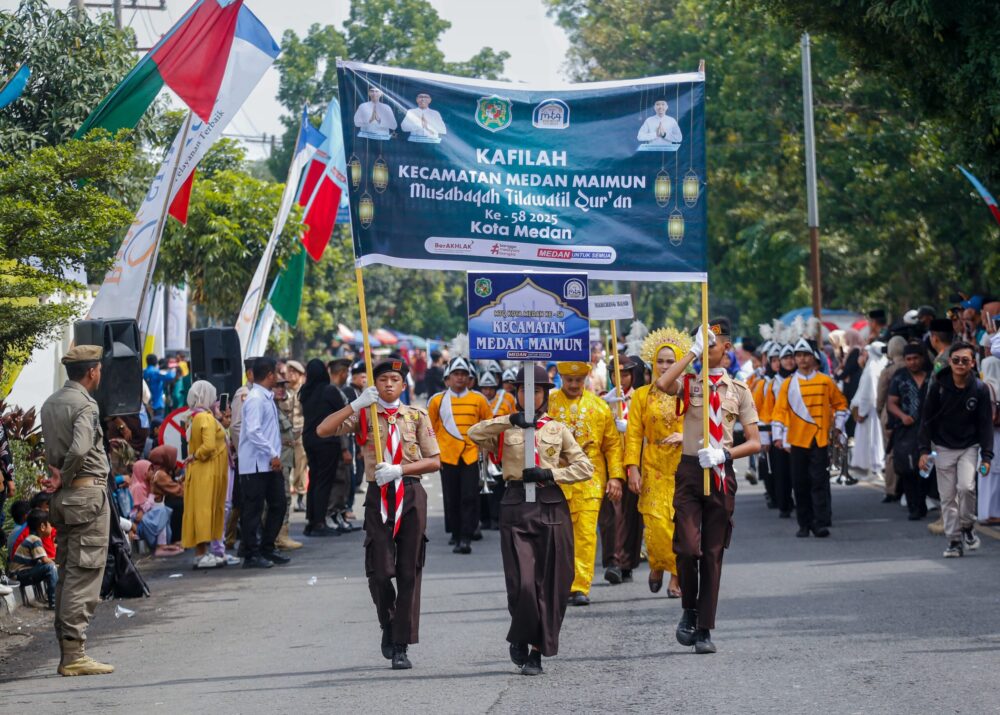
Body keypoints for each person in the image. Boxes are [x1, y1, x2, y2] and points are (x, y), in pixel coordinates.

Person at [468, 364, 594, 676]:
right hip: (515, 505)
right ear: (516, 393)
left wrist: (551, 473)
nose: (530, 396)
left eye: (536, 390)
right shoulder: (506, 427)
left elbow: (585, 467)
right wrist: (509, 420)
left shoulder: (556, 429)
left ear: (544, 395)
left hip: (551, 505)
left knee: (551, 582)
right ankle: (520, 633)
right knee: (522, 583)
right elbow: (473, 433)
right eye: (523, 390)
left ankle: (537, 651)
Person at [317, 358, 441, 670]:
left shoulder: (415, 415)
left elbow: (434, 461)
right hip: (379, 494)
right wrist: (355, 404)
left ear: (403, 385)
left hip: (410, 491)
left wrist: (401, 469)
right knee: (381, 570)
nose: (388, 384)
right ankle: (388, 621)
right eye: (383, 379)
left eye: (394, 380)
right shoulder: (365, 413)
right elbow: (323, 429)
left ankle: (401, 644)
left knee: (409, 571)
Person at [654, 318, 760, 654]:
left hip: (720, 472)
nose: (707, 348)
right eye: (704, 342)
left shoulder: (739, 391)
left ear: (726, 347)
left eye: (711, 343)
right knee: (687, 548)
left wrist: (724, 454)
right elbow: (662, 384)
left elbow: (755, 442)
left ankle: (704, 629)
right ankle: (689, 608)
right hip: (689, 470)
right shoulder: (689, 383)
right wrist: (692, 351)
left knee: (713, 554)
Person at [39, 344, 114, 676]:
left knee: (68, 573)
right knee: (83, 574)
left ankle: (69, 650)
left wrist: (61, 478)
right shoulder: (86, 405)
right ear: (92, 371)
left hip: (65, 499)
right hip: (84, 495)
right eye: (100, 370)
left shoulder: (51, 402)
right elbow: (81, 447)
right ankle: (74, 654)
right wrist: (67, 475)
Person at [547, 361, 623, 606]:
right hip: (555, 479)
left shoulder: (599, 406)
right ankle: (559, 583)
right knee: (558, 535)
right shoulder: (548, 404)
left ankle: (580, 586)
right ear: (561, 378)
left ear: (586, 380)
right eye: (569, 380)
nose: (573, 384)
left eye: (578, 380)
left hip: (590, 479)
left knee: (586, 535)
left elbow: (612, 445)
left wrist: (615, 477)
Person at [625, 332, 689, 596]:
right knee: (655, 525)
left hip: (682, 465)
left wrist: (686, 436)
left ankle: (676, 577)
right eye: (660, 361)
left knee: (679, 525)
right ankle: (656, 563)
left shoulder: (688, 392)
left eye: (670, 361)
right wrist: (632, 469)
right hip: (652, 465)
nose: (664, 366)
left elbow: (703, 425)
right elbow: (633, 435)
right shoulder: (641, 395)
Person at [919, 342, 994, 557]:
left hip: (969, 446)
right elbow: (926, 420)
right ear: (950, 362)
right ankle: (954, 541)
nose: (960, 364)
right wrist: (924, 450)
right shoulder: (938, 387)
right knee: (948, 497)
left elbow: (985, 425)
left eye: (965, 360)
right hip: (943, 447)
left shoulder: (980, 389)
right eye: (956, 360)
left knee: (966, 487)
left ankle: (967, 525)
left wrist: (987, 457)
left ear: (973, 363)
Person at [772, 338, 848, 538]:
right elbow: (779, 411)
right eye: (798, 356)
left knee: (819, 482)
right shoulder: (788, 384)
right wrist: (778, 437)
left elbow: (841, 404)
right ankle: (804, 524)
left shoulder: (825, 381)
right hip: (797, 440)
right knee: (800, 483)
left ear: (813, 357)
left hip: (820, 440)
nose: (802, 359)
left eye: (806, 355)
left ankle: (820, 522)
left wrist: (838, 427)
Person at [427, 357, 492, 554]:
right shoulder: (437, 401)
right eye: (456, 374)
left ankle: (466, 537)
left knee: (469, 496)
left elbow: (488, 426)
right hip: (447, 456)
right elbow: (430, 430)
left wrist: (486, 452)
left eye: (464, 374)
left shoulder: (479, 400)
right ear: (448, 378)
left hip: (471, 455)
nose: (460, 378)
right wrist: (433, 455)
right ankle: (455, 533)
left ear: (470, 378)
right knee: (452, 497)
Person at [238, 357, 289, 569]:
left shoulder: (265, 397)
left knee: (278, 504)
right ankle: (251, 554)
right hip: (256, 464)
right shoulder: (255, 399)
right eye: (276, 373)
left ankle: (267, 547)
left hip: (269, 463)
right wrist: (272, 453)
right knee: (253, 510)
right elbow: (253, 431)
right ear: (269, 374)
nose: (278, 377)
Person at [599, 354, 645, 586]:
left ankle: (628, 563)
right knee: (611, 515)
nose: (621, 379)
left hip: (635, 462)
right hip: (611, 463)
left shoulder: (640, 398)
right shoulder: (603, 401)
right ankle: (613, 562)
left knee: (632, 515)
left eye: (625, 374)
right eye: (616, 374)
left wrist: (632, 428)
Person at [182, 381, 230, 570]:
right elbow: (209, 446)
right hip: (206, 472)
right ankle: (201, 554)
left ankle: (203, 553)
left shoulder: (196, 416)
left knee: (203, 510)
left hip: (204, 472)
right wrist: (196, 455)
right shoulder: (205, 418)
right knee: (204, 511)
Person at [300, 359, 350, 537]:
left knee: (314, 480)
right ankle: (319, 523)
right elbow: (342, 413)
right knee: (324, 482)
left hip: (309, 439)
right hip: (327, 441)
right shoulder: (330, 391)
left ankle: (311, 521)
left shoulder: (305, 392)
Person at [887, 343, 931, 520]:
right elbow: (891, 402)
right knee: (907, 468)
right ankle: (913, 506)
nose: (913, 362)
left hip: (928, 429)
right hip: (906, 430)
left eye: (915, 358)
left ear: (922, 358)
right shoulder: (900, 377)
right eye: (909, 359)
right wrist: (902, 416)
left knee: (926, 468)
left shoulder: (931, 377)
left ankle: (922, 503)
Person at [272, 377, 304, 551]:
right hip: (278, 460)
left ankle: (280, 535)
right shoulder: (268, 407)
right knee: (282, 498)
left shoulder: (278, 408)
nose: (281, 389)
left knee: (284, 497)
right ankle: (278, 537)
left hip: (285, 458)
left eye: (283, 386)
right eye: (276, 386)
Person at [876, 337, 908, 502]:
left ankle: (892, 489)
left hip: (889, 413)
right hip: (909, 412)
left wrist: (880, 412)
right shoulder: (912, 366)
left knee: (890, 451)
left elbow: (881, 396)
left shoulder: (887, 371)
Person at [850, 342, 887, 479]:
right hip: (877, 410)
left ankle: (873, 468)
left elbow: (867, 394)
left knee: (871, 440)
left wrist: (861, 412)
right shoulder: (881, 365)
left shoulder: (871, 368)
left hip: (869, 412)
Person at [326, 358, 356, 528]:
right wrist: (344, 448)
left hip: (345, 440)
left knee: (345, 481)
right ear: (342, 373)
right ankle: (331, 514)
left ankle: (339, 514)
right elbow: (338, 423)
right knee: (338, 481)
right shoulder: (333, 392)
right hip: (338, 442)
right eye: (346, 372)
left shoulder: (338, 391)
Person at [128, 459, 180, 556]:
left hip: (144, 518)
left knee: (164, 510)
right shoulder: (138, 487)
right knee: (161, 511)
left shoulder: (146, 484)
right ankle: (160, 546)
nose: (152, 472)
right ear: (142, 471)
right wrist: (152, 493)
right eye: (149, 470)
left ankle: (163, 544)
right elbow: (140, 512)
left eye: (152, 469)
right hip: (138, 523)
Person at [9, 509, 58, 609]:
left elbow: (43, 560)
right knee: (51, 568)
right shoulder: (34, 539)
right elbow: (45, 560)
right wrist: (59, 564)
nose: (51, 528)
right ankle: (54, 602)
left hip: (22, 573)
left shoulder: (33, 538)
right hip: (19, 575)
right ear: (43, 527)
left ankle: (53, 597)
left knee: (50, 566)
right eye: (50, 525)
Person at [341, 360, 368, 519]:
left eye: (366, 377)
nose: (364, 380)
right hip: (348, 437)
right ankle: (347, 507)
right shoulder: (348, 392)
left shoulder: (361, 392)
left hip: (357, 438)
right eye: (362, 377)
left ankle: (348, 506)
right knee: (349, 474)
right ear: (354, 377)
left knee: (356, 472)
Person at [282, 360, 308, 513]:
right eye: (289, 371)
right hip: (285, 435)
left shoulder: (304, 391)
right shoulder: (282, 391)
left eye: (294, 372)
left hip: (300, 433)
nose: (291, 374)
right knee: (285, 467)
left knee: (301, 467)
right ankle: (286, 498)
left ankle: (300, 497)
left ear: (300, 375)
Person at [978, 355, 1000, 524]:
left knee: (985, 472)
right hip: (996, 435)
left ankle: (984, 511)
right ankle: (993, 512)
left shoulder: (982, 387)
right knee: (995, 473)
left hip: (984, 435)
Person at [143, 353, 171, 418]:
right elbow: (170, 376)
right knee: (159, 423)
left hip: (147, 404)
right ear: (156, 362)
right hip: (158, 404)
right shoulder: (157, 372)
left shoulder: (144, 372)